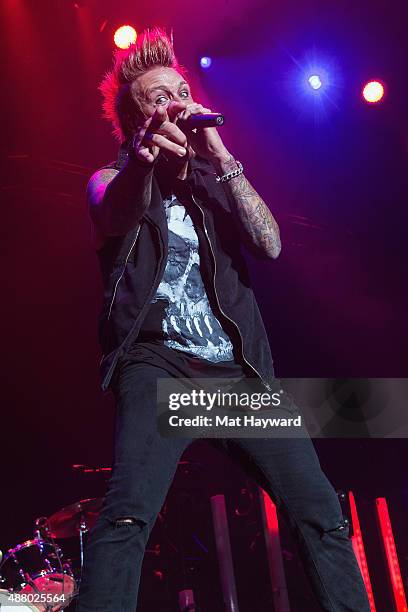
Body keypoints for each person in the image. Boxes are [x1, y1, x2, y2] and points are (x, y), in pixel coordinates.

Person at [77, 28, 370, 612]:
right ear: (135, 119)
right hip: (158, 367)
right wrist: (144, 161)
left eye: (180, 90)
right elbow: (115, 215)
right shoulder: (112, 179)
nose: (175, 102)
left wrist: (222, 155)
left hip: (237, 375)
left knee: (321, 515)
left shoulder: (216, 182)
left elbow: (271, 245)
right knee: (128, 515)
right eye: (158, 97)